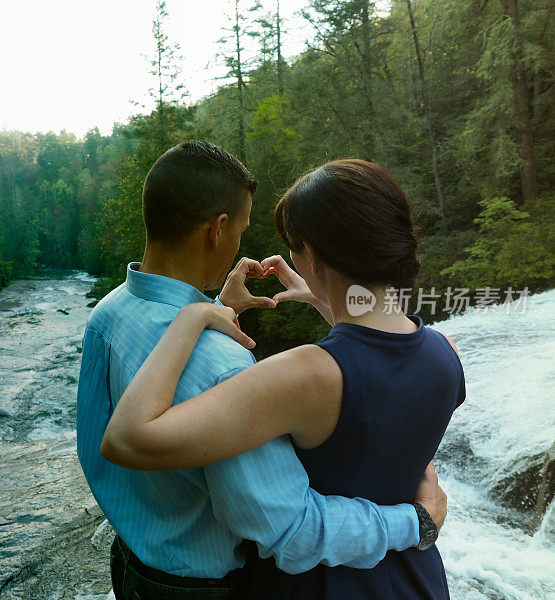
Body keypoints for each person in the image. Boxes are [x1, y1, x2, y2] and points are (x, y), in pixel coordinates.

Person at [76, 142, 447, 600]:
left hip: (134, 561)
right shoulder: (441, 353)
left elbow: (104, 443)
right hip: (232, 585)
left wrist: (206, 311)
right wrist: (417, 520)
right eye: (242, 229)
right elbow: (291, 529)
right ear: (218, 230)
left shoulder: (111, 310)